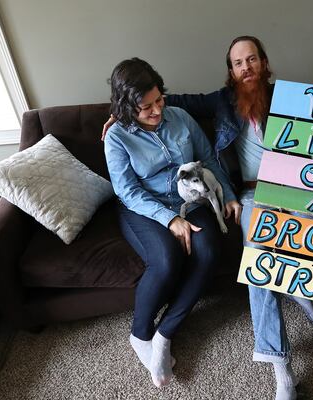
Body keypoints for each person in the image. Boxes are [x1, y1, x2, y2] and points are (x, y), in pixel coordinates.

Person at [102, 38, 313, 400]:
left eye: (252, 59)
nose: (246, 68)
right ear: (231, 71)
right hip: (243, 194)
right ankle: (281, 368)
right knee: (257, 257)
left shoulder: (294, 97)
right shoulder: (219, 101)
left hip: (296, 188)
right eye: (238, 63)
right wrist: (121, 115)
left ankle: (298, 289)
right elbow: (134, 177)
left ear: (264, 62)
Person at [103, 58, 242, 389]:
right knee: (166, 259)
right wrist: (170, 220)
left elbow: (208, 161)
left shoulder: (180, 117)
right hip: (143, 207)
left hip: (188, 201)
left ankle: (164, 334)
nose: (156, 111)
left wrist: (228, 195)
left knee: (209, 252)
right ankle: (140, 334)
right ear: (127, 108)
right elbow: (128, 191)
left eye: (159, 100)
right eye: (146, 107)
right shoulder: (117, 137)